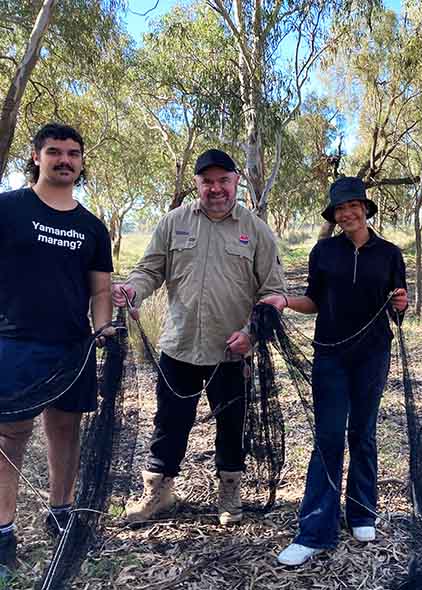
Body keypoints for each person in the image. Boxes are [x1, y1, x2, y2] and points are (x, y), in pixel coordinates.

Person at [113, 149, 286, 526]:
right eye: (207, 181)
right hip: (179, 347)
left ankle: (229, 493)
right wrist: (132, 291)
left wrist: (251, 335)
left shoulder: (256, 230)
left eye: (223, 180)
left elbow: (273, 292)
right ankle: (158, 494)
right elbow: (149, 270)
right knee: (170, 422)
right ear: (197, 184)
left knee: (231, 424)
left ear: (236, 180)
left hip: (231, 351)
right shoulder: (174, 222)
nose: (216, 188)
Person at [261, 176, 408, 566]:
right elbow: (313, 301)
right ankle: (314, 531)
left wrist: (401, 304)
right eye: (339, 209)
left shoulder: (390, 254)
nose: (347, 214)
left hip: (373, 355)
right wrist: (284, 302)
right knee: (328, 438)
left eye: (352, 206)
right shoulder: (323, 252)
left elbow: (399, 305)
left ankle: (362, 512)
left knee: (363, 432)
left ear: (365, 207)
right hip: (330, 357)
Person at [0, 123, 114, 580]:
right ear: (36, 157)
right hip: (14, 343)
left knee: (65, 432)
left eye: (73, 153)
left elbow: (101, 288)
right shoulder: (8, 208)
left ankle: (61, 511)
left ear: (82, 162)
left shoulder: (91, 227)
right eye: (54, 152)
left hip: (73, 347)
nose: (64, 160)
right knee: (9, 438)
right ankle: (3, 530)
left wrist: (104, 329)